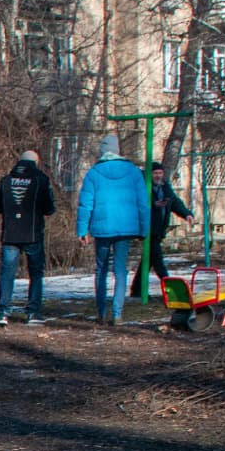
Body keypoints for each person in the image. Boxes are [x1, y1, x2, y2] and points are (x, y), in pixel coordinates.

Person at [75, 133, 150, 325]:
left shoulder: (94, 173)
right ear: (118, 151)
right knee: (120, 269)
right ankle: (117, 313)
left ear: (102, 151)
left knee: (101, 269)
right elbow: (143, 203)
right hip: (126, 228)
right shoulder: (133, 172)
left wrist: (82, 230)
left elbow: (85, 204)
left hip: (102, 228)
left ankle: (101, 312)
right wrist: (144, 228)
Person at [0, 149, 56, 326]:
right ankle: (33, 312)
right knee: (35, 273)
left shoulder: (5, 181)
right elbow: (49, 208)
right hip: (33, 233)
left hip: (10, 234)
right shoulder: (40, 180)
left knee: (7, 274)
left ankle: (3, 313)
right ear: (36, 163)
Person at [131, 161, 193, 296]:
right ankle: (173, 291)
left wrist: (187, 214)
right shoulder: (144, 187)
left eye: (160, 173)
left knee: (148, 261)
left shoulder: (165, 187)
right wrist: (153, 204)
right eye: (155, 173)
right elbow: (137, 205)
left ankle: (136, 291)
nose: (158, 176)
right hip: (148, 229)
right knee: (158, 261)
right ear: (150, 174)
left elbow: (175, 202)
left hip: (158, 230)